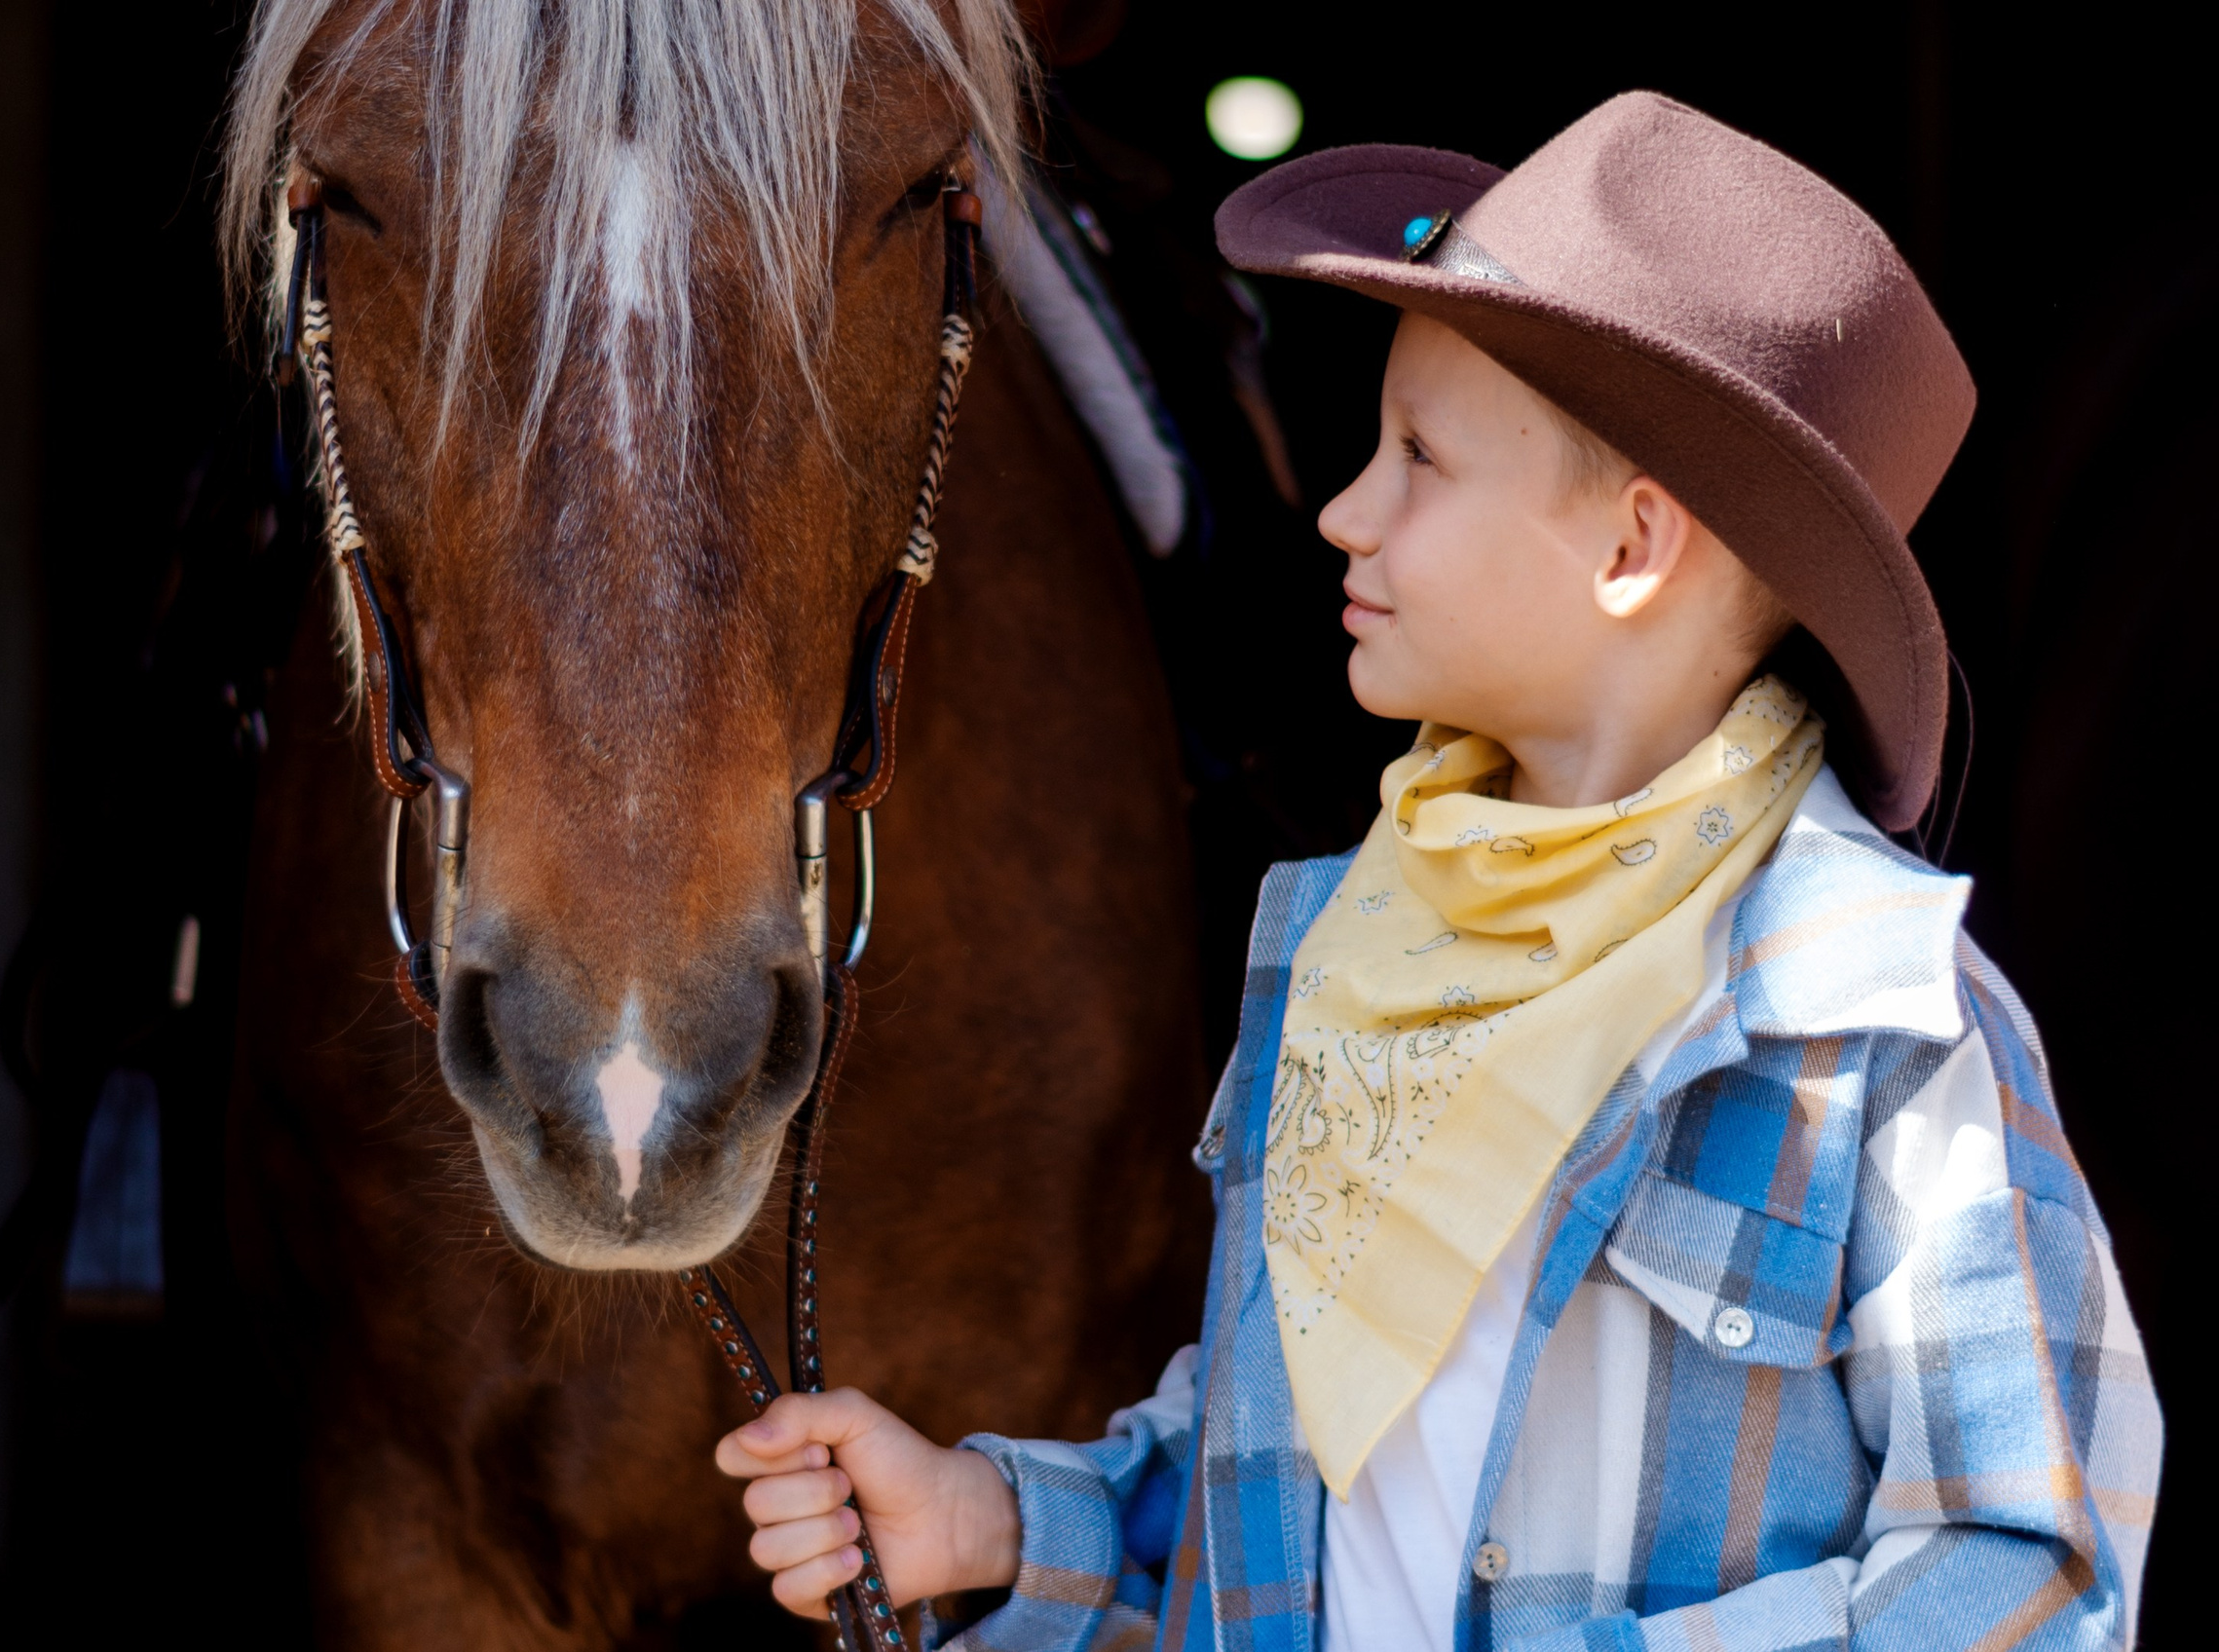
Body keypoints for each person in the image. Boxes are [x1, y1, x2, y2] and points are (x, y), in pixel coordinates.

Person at [715, 93, 2162, 1651]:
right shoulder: (1344, 946)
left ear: (1632, 550)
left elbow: (2033, 1568)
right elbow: (1306, 1483)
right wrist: (991, 1520)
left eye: (1418, 457)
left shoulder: (1888, 1025)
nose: (1344, 512)